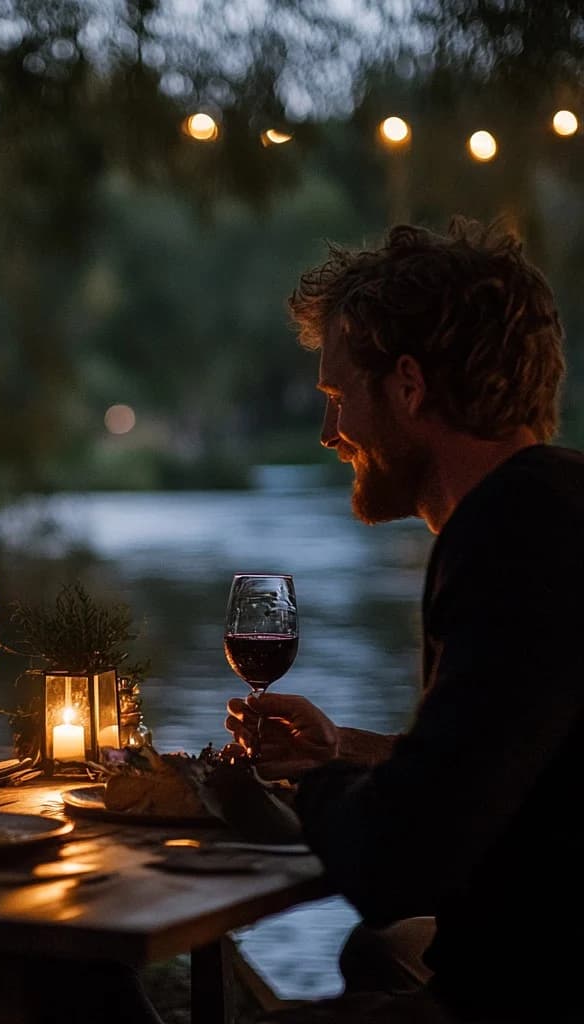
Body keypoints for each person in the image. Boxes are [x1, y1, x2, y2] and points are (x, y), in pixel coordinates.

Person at [225, 217, 583, 1023]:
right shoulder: (557, 499)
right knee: (375, 950)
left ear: (409, 387)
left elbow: (401, 860)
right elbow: (509, 764)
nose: (329, 434)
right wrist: (345, 750)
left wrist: (308, 788)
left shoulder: (514, 533)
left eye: (336, 398)